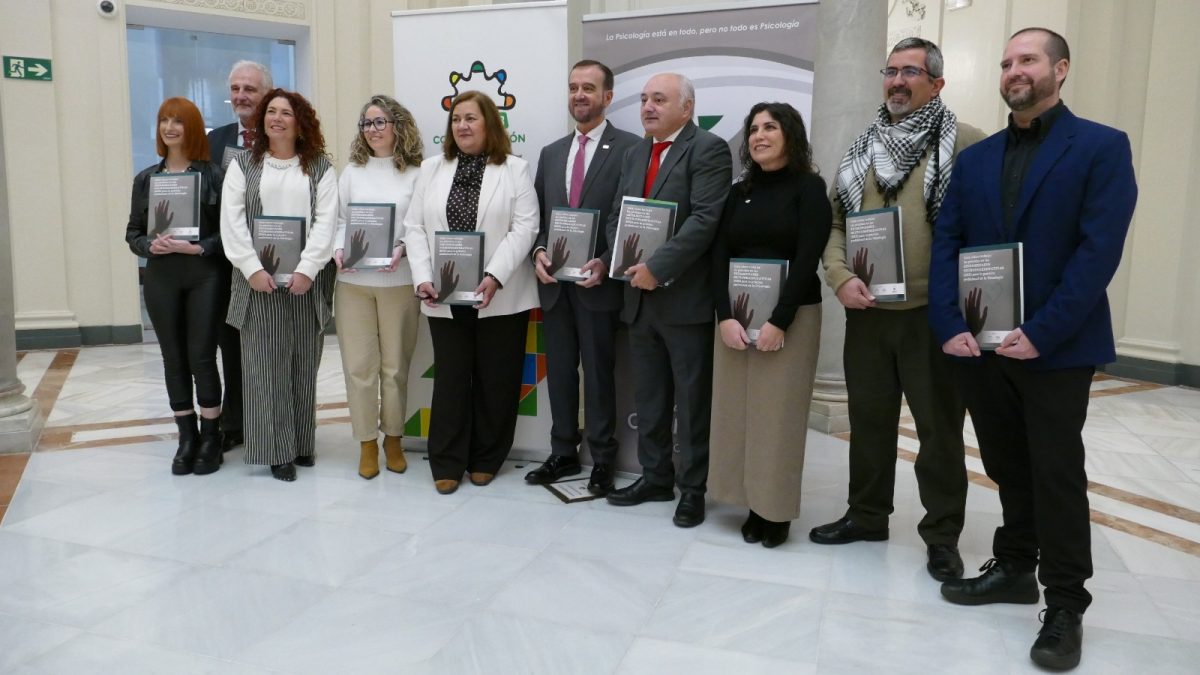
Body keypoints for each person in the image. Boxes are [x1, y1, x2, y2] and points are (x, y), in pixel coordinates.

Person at [930, 28, 1137, 671]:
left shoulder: (1101, 146)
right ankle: (1016, 566)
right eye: (1005, 63)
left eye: (1027, 59)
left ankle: (1066, 604)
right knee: (1005, 463)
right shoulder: (976, 159)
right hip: (980, 344)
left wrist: (1043, 331)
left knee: (1055, 473)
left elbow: (1097, 253)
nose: (1013, 71)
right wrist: (948, 322)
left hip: (1056, 347)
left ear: (1060, 69)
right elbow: (948, 243)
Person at [808, 38, 985, 583]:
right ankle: (866, 516)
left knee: (938, 431)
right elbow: (834, 223)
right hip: (868, 314)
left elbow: (986, 228)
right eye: (891, 71)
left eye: (911, 72)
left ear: (937, 83)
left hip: (933, 316)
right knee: (869, 422)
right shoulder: (862, 147)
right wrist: (839, 277)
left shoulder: (967, 143)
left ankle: (942, 535)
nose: (897, 82)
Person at [602, 73, 733, 528]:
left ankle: (692, 489)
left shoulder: (709, 149)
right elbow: (618, 214)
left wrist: (657, 268)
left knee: (692, 403)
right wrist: (620, 259)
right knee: (651, 397)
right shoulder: (636, 152)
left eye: (659, 99)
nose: (648, 107)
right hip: (637, 297)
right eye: (644, 99)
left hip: (684, 300)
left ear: (686, 107)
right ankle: (655, 477)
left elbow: (705, 220)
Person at [708, 102, 831, 548]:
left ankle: (773, 509)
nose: (759, 136)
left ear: (790, 135)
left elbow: (808, 257)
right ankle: (746, 500)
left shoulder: (809, 188)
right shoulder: (738, 191)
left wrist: (780, 320)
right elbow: (718, 254)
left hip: (791, 318)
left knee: (778, 417)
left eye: (770, 127)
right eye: (754, 129)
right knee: (737, 412)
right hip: (737, 318)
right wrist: (724, 316)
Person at [404, 91, 539, 495]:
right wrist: (422, 277)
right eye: (456, 119)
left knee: (497, 379)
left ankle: (486, 458)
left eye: (471, 118)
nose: (462, 126)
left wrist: (495, 275)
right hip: (443, 293)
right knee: (450, 378)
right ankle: (447, 460)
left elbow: (525, 227)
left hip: (501, 294)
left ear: (489, 124)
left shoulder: (515, 169)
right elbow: (414, 227)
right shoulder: (431, 169)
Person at [524, 60, 640, 495]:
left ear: (607, 96)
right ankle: (563, 453)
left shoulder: (630, 148)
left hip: (598, 285)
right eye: (573, 87)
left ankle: (603, 459)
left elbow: (629, 217)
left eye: (588, 88)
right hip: (555, 287)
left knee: (598, 373)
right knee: (559, 373)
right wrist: (538, 251)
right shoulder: (552, 152)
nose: (579, 95)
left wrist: (608, 262)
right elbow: (538, 216)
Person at [220, 89, 337, 482]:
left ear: (300, 122)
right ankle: (276, 451)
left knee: (303, 366)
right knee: (265, 370)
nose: (277, 118)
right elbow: (232, 222)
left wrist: (308, 269)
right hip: (259, 284)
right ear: (261, 120)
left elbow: (327, 221)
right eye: (271, 111)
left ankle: (301, 443)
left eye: (286, 113)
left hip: (306, 283)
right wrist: (251, 268)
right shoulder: (243, 165)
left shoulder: (320, 167)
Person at [125, 97, 226, 476]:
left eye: (178, 121)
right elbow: (133, 233)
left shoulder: (213, 175)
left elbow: (230, 234)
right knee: (173, 359)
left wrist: (198, 247)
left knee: (202, 357)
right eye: (164, 120)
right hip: (161, 278)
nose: (169, 127)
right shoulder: (146, 179)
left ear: (192, 128)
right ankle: (187, 437)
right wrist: (148, 246)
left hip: (204, 276)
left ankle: (211, 436)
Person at [333, 95, 423, 480]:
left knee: (395, 368)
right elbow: (339, 220)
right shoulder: (352, 172)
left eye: (380, 122)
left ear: (398, 125)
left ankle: (394, 439)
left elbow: (419, 225)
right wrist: (339, 249)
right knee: (359, 368)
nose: (372, 130)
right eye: (366, 123)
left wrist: (402, 247)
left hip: (398, 281)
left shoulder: (417, 174)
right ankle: (367, 442)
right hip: (353, 283)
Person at [207, 60, 272, 452]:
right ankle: (233, 424)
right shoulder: (215, 141)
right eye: (235, 89)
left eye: (250, 88)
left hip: (272, 261)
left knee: (266, 348)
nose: (241, 96)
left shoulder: (282, 136)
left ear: (266, 93)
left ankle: (271, 422)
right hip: (222, 263)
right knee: (229, 345)